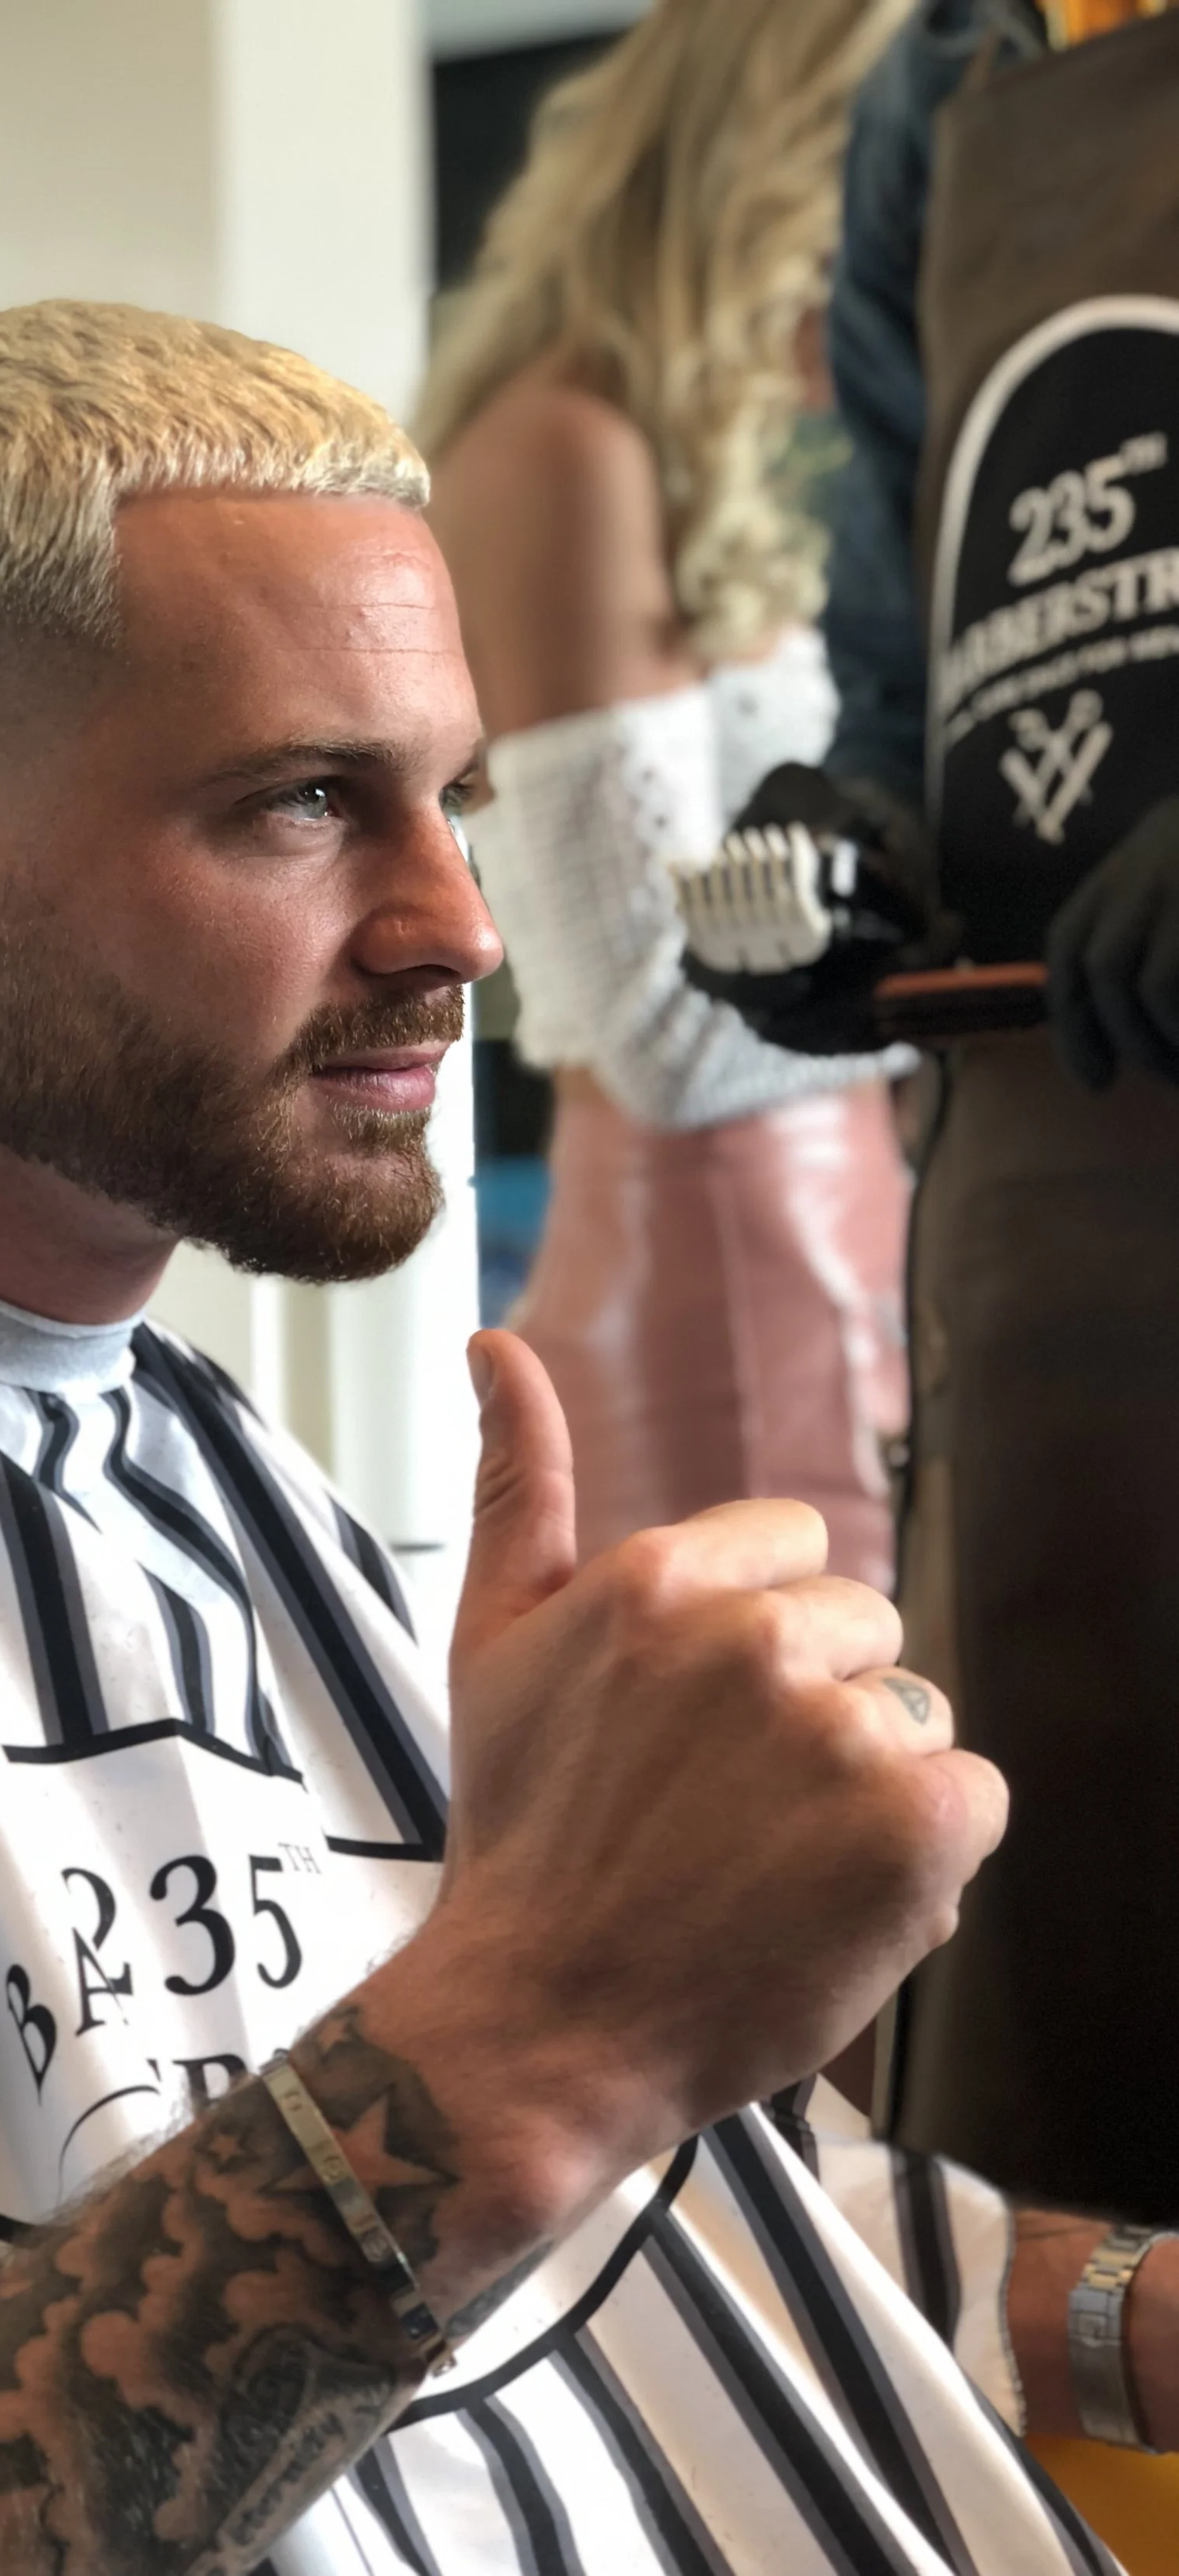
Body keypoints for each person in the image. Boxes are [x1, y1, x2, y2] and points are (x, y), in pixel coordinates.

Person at [0, 302, 1164, 2576]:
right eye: (296, 800)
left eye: (447, 796)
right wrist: (530, 2025)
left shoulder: (236, 1487)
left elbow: (689, 2220)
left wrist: (1127, 2315)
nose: (455, 924)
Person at [702, 0, 1179, 2239]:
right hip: (1044, 1249)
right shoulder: (943, 82)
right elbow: (912, 673)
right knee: (1067, 2020)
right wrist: (853, 840)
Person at [420, 0, 917, 1596]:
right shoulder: (563, 448)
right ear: (787, 167)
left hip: (832, 1233)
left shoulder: (687, 460)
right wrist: (996, 986)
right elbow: (656, 1023)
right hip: (727, 1268)